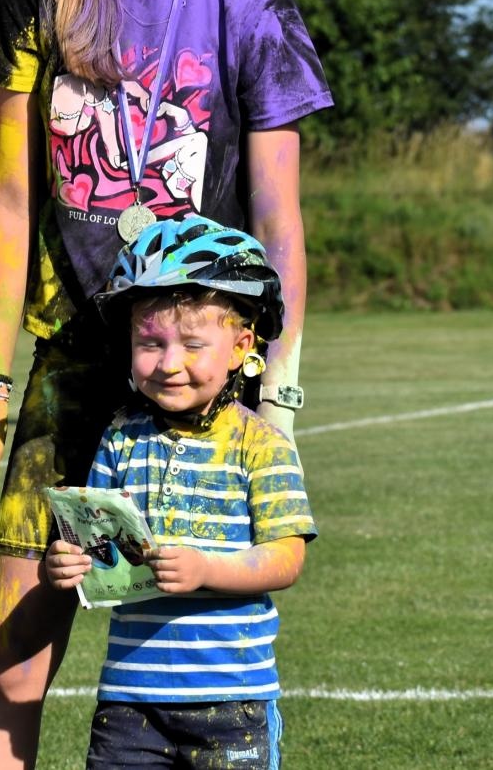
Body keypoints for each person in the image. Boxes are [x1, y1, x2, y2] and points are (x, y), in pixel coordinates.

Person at [0, 0, 334, 768]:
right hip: (73, 369)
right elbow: (9, 197)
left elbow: (280, 218)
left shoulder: (251, 2)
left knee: (184, 660)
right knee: (13, 659)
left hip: (198, 369)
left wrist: (274, 396)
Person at [45, 215, 316, 768]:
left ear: (242, 346)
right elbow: (101, 548)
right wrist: (68, 564)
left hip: (231, 701)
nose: (169, 364)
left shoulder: (260, 444)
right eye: (150, 343)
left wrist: (205, 571)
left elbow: (287, 557)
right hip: (129, 703)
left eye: (194, 344)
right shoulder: (120, 437)